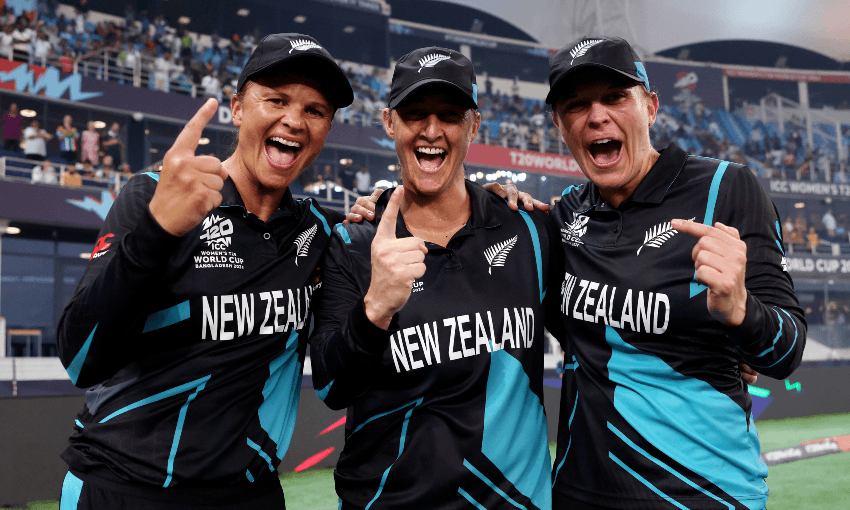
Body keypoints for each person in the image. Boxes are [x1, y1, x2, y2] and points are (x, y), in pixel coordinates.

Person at [56, 33, 356, 510]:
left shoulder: (317, 230)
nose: (294, 121)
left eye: (315, 111)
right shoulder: (154, 196)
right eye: (276, 100)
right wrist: (158, 230)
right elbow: (80, 359)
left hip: (248, 496)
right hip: (121, 489)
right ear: (237, 108)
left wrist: (498, 204)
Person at [545, 36, 805, 510]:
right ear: (562, 127)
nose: (596, 115)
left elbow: (785, 352)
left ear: (651, 107)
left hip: (705, 493)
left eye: (616, 97)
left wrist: (741, 311)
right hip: (581, 494)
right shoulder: (563, 217)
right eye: (575, 105)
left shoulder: (726, 187)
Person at [309, 47, 559, 510]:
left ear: (474, 126)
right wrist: (376, 309)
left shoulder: (528, 228)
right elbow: (328, 387)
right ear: (388, 122)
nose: (430, 130)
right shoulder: (353, 242)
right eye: (414, 113)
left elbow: (600, 329)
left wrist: (736, 337)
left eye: (449, 115)